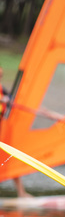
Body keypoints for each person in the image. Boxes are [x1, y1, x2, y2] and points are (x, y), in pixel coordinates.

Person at [0, 66, 29, 198]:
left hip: (3, 132)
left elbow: (12, 100)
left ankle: (21, 193)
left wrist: (10, 101)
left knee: (12, 158)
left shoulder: (2, 89)